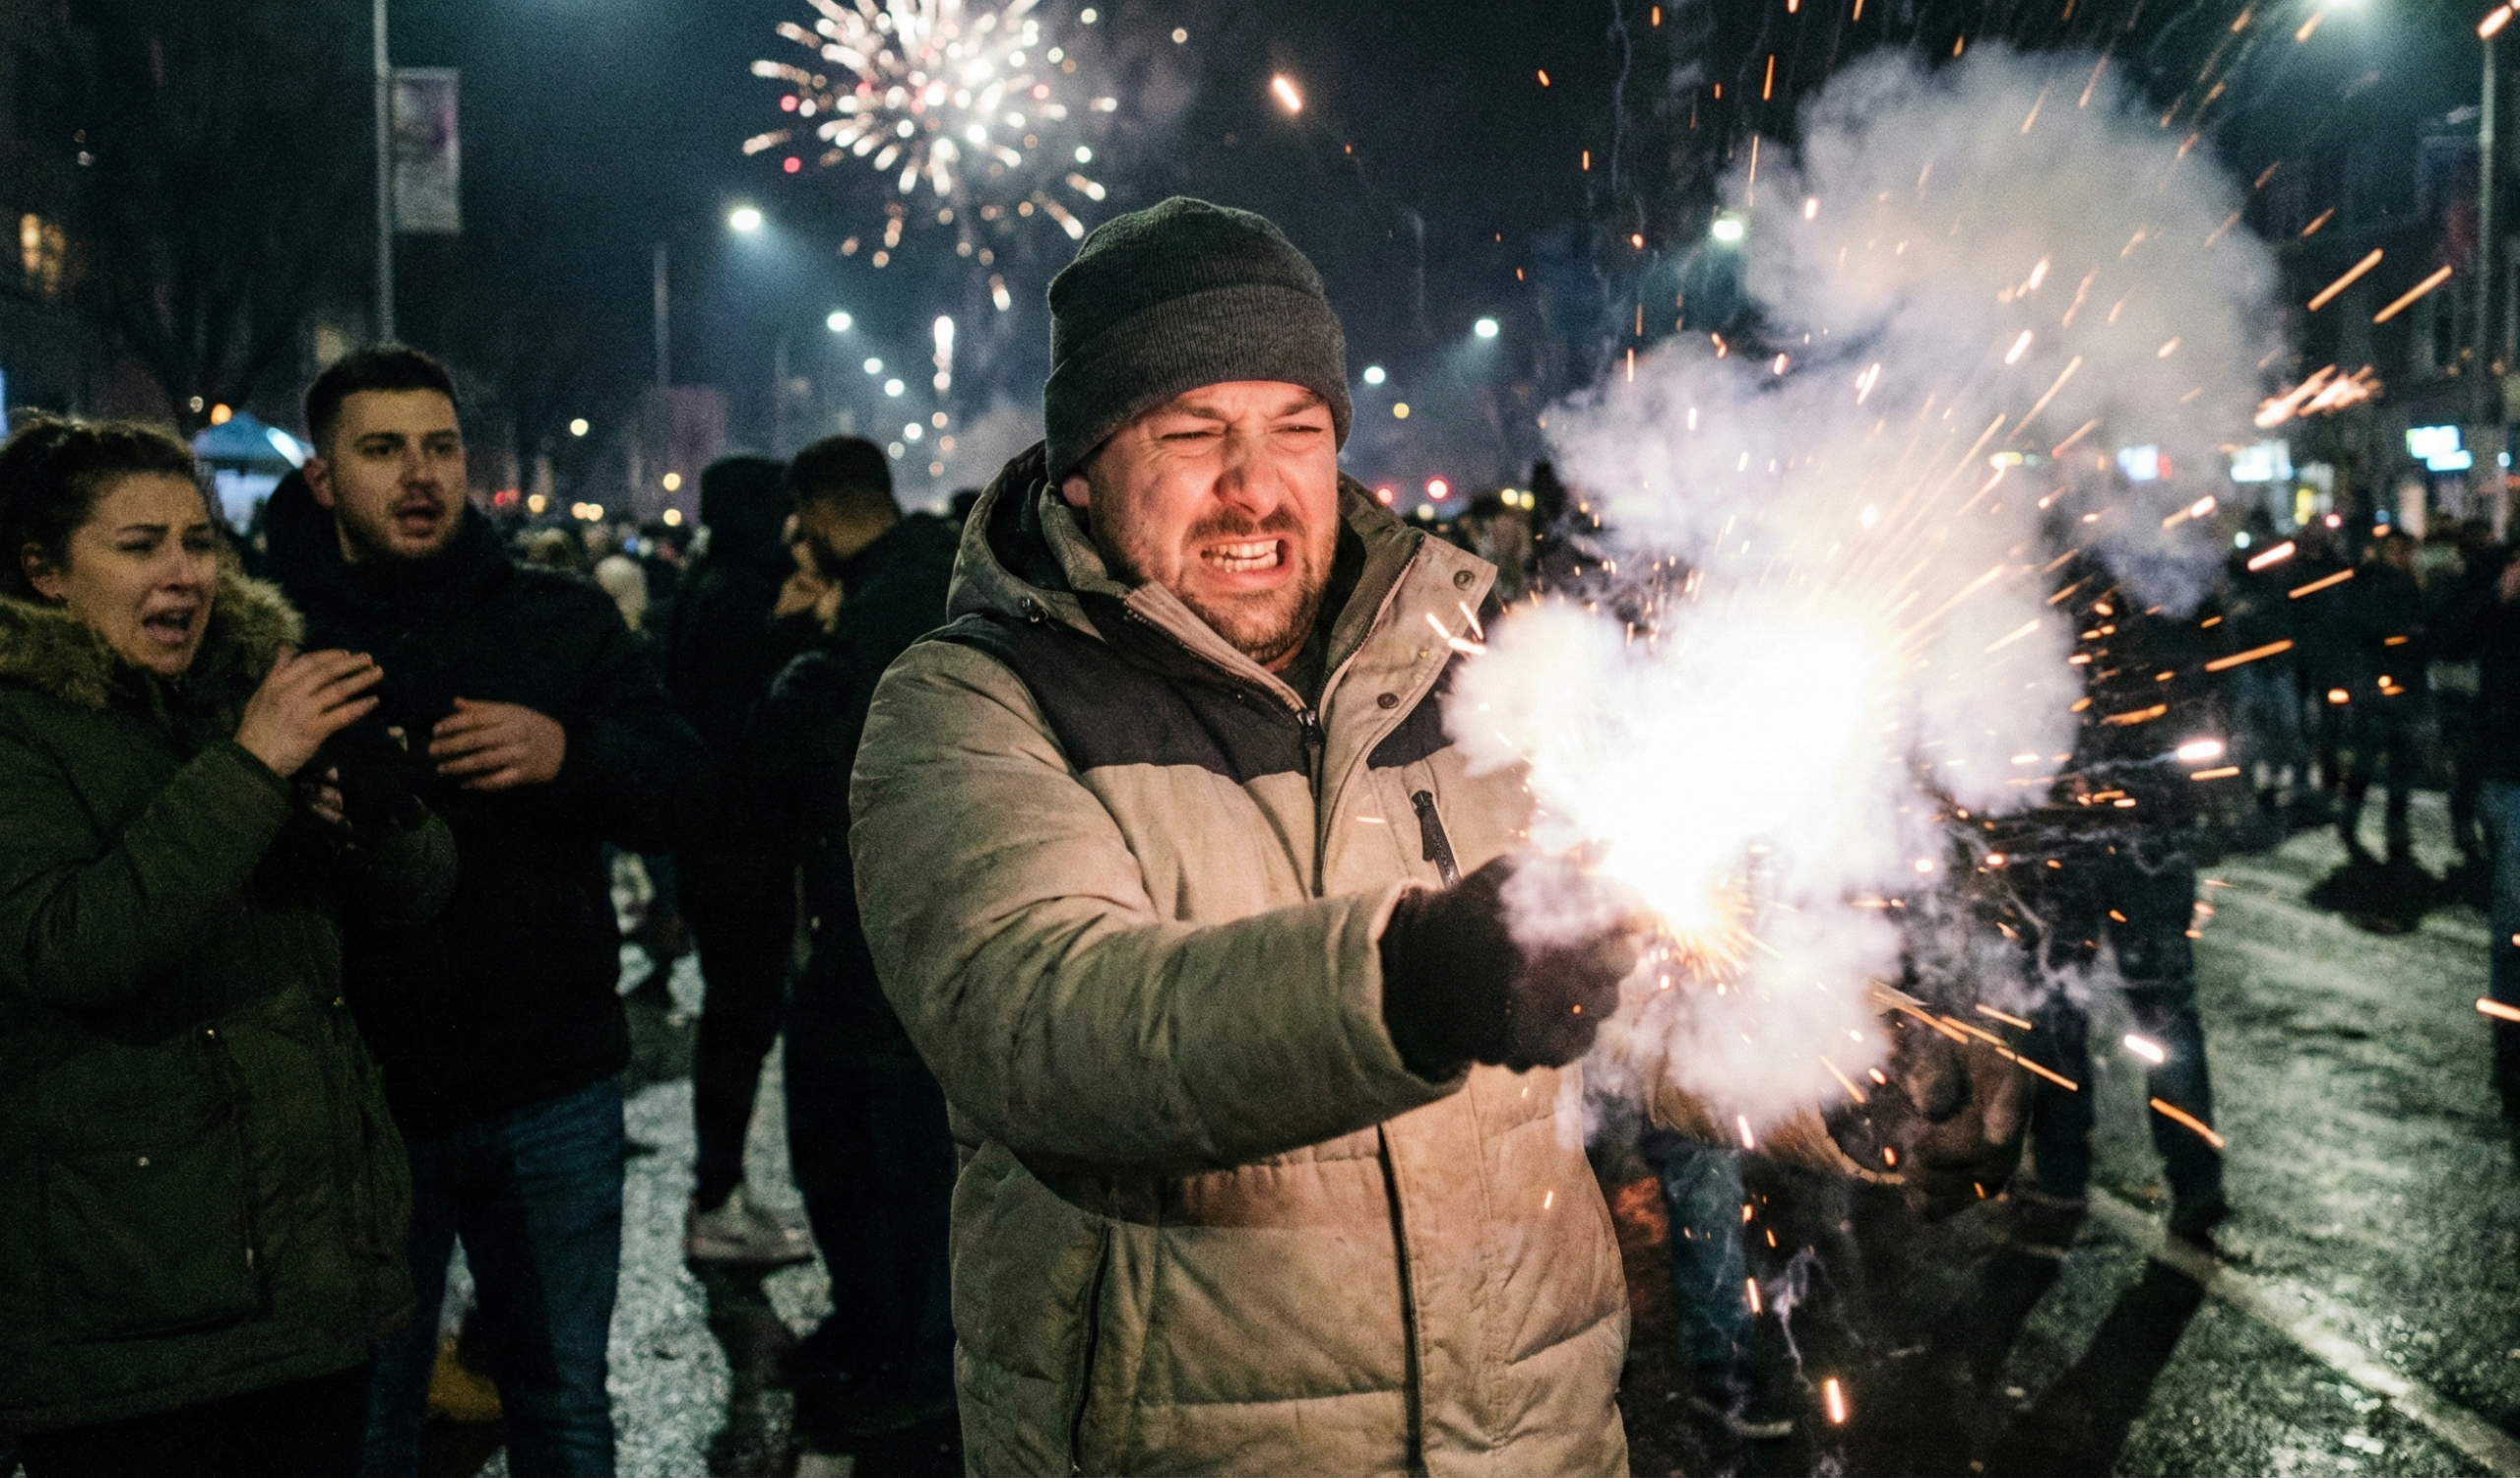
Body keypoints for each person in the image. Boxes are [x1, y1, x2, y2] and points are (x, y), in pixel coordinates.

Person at [846, 198, 2020, 1472]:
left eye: (1295, 430)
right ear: (1082, 467)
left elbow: (1629, 973)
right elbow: (1045, 1025)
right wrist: (1409, 980)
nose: (1253, 487)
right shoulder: (977, 699)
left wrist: (1842, 1069)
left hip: (1530, 1442)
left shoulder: (1467, 653)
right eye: (1192, 435)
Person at [260, 346, 714, 1477]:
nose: (419, 475)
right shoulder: (269, 636)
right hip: (358, 1097)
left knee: (561, 1403)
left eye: (439, 445)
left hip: (547, 1076)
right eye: (381, 450)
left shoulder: (555, 619)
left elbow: (688, 784)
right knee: (367, 1419)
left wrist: (568, 753)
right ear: (323, 478)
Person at [0, 417, 455, 1473]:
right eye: (138, 544)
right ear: (44, 572)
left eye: (199, 541)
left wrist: (371, 816)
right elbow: (71, 944)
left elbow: (421, 892)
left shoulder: (231, 690)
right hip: (134, 1302)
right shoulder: (21, 728)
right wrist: (253, 767)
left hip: (303, 1276)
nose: (183, 574)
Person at [740, 436, 964, 1463]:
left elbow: (820, 768)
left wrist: (800, 659)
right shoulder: (937, 577)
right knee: (884, 1158)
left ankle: (908, 1368)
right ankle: (882, 1339)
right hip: (894, 927)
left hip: (884, 934)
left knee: (887, 1161)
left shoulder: (876, 613)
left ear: (815, 512)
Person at [1999, 554, 2229, 1250]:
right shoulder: (2171, 589)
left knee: (2060, 1006)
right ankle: (2194, 1179)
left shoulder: (2054, 590)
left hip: (2081, 835)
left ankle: (2066, 1180)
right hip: (2144, 831)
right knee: (2158, 1010)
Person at [662, 456, 818, 1264]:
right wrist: (800, 628)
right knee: (743, 1016)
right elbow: (752, 719)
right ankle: (715, 1197)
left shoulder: (705, 578)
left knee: (739, 1014)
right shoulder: (748, 590)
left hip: (712, 839)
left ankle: (719, 1190)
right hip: (742, 842)